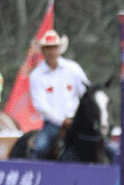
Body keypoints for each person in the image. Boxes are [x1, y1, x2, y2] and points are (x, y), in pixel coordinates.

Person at [28, 29, 88, 159]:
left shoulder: (73, 68)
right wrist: (62, 121)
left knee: (104, 148)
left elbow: (86, 93)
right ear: (42, 51)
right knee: (40, 148)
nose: (51, 51)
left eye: (54, 47)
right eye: (47, 48)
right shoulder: (36, 75)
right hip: (53, 124)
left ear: (59, 49)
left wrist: (76, 117)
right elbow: (41, 106)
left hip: (78, 121)